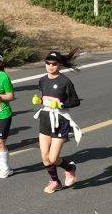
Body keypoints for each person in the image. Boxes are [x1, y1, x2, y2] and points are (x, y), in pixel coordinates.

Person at [33, 50, 82, 193]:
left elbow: (75, 101)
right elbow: (45, 98)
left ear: (59, 65)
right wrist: (39, 101)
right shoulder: (42, 80)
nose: (50, 66)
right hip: (45, 119)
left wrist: (61, 105)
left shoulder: (65, 81)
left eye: (53, 64)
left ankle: (70, 168)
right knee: (45, 158)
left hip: (60, 120)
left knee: (53, 158)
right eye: (47, 63)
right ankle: (55, 182)